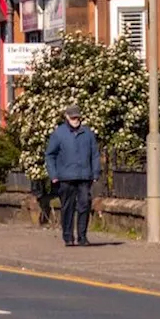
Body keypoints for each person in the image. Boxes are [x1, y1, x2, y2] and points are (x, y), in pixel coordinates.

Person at [45, 105, 101, 247]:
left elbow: (95, 155)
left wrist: (95, 172)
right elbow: (50, 155)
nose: (76, 120)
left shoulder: (88, 134)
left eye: (77, 117)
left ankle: (82, 236)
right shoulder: (59, 134)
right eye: (73, 117)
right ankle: (68, 237)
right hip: (65, 177)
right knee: (67, 207)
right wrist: (54, 175)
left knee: (84, 205)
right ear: (67, 117)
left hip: (84, 176)